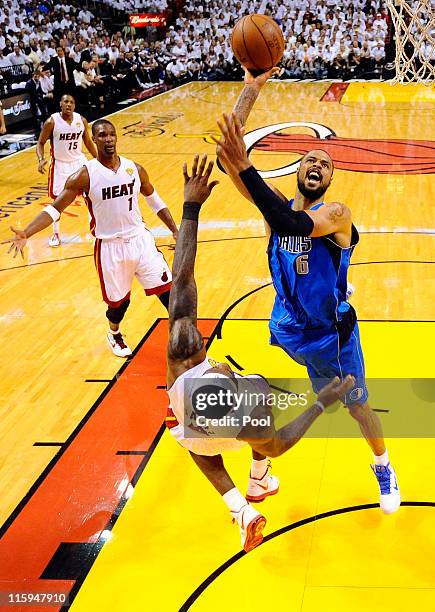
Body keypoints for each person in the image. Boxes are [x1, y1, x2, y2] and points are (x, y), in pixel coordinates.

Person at [214, 68, 401, 515]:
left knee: (357, 406)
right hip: (287, 324)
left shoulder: (335, 213)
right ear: (298, 169)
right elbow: (227, 158)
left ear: (330, 179)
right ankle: (260, 475)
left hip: (330, 337)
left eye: (325, 164)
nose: (316, 165)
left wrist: (245, 166)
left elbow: (293, 224)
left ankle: (383, 464)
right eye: (310, 160)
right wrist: (251, 89)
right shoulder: (274, 203)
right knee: (257, 390)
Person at [166, 153, 355, 552]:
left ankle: (242, 505)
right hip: (231, 414)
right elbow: (280, 442)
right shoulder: (247, 406)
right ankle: (255, 482)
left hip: (199, 425)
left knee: (195, 444)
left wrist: (191, 207)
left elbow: (182, 275)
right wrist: (321, 402)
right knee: (258, 396)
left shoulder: (183, 352)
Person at [3, 119, 178, 358]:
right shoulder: (84, 176)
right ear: (93, 140)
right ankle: (114, 333)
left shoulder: (134, 169)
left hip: (141, 240)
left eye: (112, 135)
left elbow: (154, 200)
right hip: (110, 247)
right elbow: (55, 209)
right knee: (118, 306)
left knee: (169, 294)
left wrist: (175, 230)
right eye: (102, 135)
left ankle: (182, 338)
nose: (108, 139)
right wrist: (28, 232)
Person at [36, 94, 97, 247]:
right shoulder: (51, 122)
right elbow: (41, 142)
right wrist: (40, 159)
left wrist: (99, 159)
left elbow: (88, 142)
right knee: (57, 202)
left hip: (79, 163)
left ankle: (97, 230)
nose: (69, 104)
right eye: (66, 102)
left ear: (75, 105)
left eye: (72, 102)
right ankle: (56, 234)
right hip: (60, 166)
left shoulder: (81, 120)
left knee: (92, 196)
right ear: (60, 104)